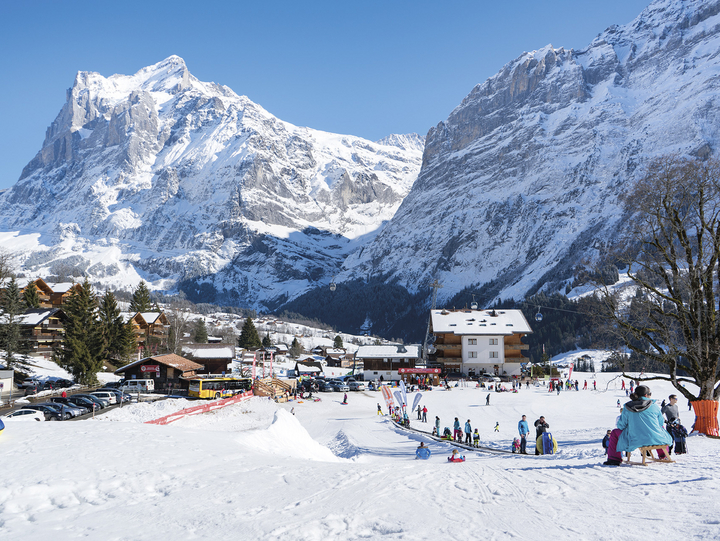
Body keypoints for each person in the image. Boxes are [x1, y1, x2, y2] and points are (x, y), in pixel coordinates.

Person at [615, 385, 673, 457]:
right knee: (660, 429)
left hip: (634, 439)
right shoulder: (654, 406)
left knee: (615, 432)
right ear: (646, 395)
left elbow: (621, 425)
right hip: (655, 438)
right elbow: (660, 422)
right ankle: (663, 454)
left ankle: (614, 458)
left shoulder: (627, 407)